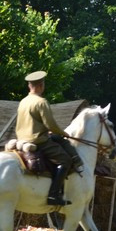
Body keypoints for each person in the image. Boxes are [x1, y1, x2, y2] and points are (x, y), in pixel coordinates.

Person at [15, 70, 83, 206]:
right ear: (41, 85)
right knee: (65, 160)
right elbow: (50, 124)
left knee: (56, 139)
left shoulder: (24, 101)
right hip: (38, 141)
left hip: (21, 139)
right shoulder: (41, 102)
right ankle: (53, 196)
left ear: (30, 86)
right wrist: (64, 133)